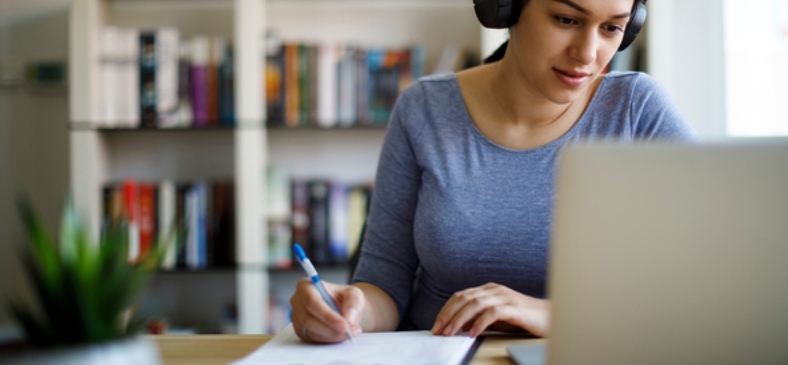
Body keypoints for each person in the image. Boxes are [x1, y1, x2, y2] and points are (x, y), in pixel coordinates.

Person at [289, 0, 699, 343]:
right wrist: (348, 309)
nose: (587, 53)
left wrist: (553, 314)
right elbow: (383, 288)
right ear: (507, 7)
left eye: (611, 28)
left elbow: (708, 279)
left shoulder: (636, 110)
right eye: (567, 20)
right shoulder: (423, 109)